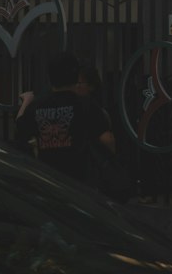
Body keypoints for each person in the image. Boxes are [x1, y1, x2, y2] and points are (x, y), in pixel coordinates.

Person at [15, 51, 117, 188]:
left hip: (48, 180)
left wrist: (27, 100)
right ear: (75, 77)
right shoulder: (86, 105)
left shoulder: (37, 106)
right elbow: (107, 139)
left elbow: (20, 129)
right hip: (80, 182)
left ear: (50, 77)